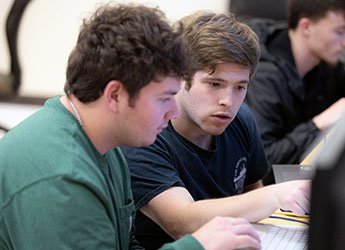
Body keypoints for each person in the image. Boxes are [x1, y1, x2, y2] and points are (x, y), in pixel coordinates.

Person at [0, 3, 263, 250]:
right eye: (163, 99)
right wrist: (197, 245)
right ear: (115, 95)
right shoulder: (61, 179)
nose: (172, 111)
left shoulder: (106, 145)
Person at [121, 11, 310, 250]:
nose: (228, 101)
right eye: (214, 84)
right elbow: (182, 223)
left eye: (240, 87)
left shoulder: (241, 118)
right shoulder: (145, 136)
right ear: (179, 78)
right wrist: (275, 195)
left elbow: (252, 190)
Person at [244, 0, 345, 184]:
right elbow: (263, 165)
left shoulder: (322, 62)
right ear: (306, 27)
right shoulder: (266, 77)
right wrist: (319, 123)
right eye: (339, 32)